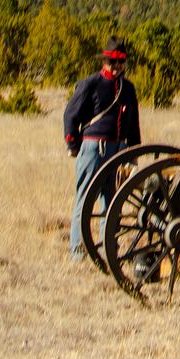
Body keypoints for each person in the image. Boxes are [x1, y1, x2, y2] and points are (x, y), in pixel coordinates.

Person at [62, 40, 141, 258]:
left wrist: (133, 152)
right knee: (85, 199)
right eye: (112, 61)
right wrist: (73, 144)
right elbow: (70, 114)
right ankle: (78, 251)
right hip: (94, 148)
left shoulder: (128, 88)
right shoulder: (90, 84)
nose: (116, 66)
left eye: (120, 62)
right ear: (105, 61)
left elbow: (133, 122)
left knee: (112, 202)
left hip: (118, 148)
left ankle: (109, 251)